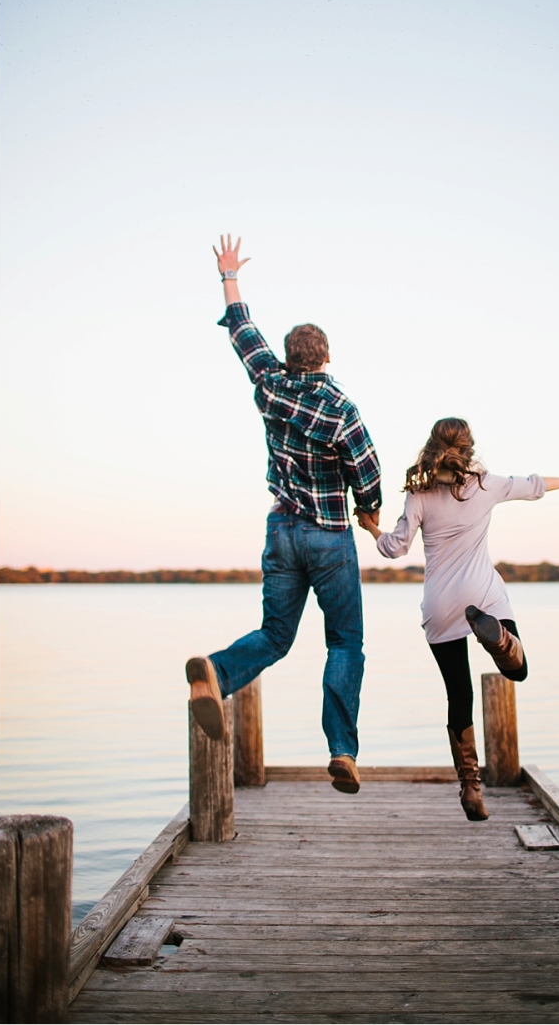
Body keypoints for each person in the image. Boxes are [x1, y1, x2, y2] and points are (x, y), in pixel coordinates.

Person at [187, 235, 383, 795]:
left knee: (276, 636)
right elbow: (367, 471)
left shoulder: (270, 384)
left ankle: (217, 671)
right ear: (326, 357)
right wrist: (368, 513)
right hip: (328, 537)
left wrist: (229, 276)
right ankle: (341, 750)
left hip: (282, 529)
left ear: (290, 356)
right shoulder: (341, 409)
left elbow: (243, 332)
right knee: (344, 643)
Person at [357, 417, 559, 821]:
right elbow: (536, 485)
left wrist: (371, 529)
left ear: (432, 446)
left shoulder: (418, 493)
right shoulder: (487, 484)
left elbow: (396, 548)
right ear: (468, 448)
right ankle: (501, 641)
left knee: (459, 696)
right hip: (482, 596)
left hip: (439, 604)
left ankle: (471, 787)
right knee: (517, 672)